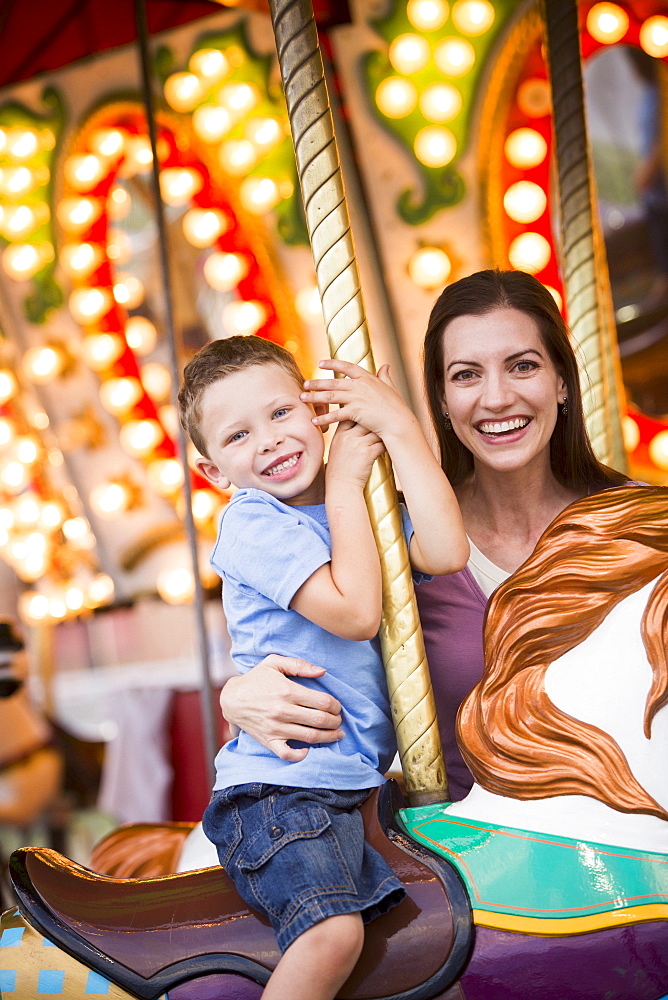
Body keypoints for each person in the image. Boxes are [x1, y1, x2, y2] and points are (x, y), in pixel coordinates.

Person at [218, 269, 630, 802]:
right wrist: (237, 695)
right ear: (438, 398)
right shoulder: (390, 541)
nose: (497, 397)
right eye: (465, 375)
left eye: (523, 366)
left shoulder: (640, 527)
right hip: (481, 853)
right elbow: (296, 640)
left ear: (562, 381)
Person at [177, 335, 468, 1000]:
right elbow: (357, 611)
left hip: (350, 786)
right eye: (239, 435)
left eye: (282, 413)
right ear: (214, 472)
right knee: (332, 935)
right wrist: (344, 478)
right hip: (281, 792)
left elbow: (447, 549)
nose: (271, 440)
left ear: (316, 409)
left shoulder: (358, 511)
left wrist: (397, 426)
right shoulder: (252, 524)